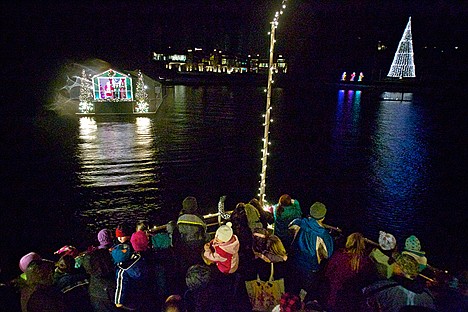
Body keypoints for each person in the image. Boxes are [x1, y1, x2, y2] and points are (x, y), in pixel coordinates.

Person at [288, 202, 334, 301]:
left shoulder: (298, 222)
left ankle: (290, 303)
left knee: (294, 286)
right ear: (323, 217)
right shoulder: (323, 235)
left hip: (295, 261)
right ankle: (301, 304)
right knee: (306, 290)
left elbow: (290, 228)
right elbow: (327, 254)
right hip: (310, 268)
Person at [321, 232, 376, 311]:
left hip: (333, 294)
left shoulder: (338, 256)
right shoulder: (365, 262)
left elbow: (327, 273)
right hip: (351, 299)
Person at [363, 253, 436, 312]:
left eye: (394, 263)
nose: (392, 265)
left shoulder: (379, 289)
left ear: (398, 267)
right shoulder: (428, 296)